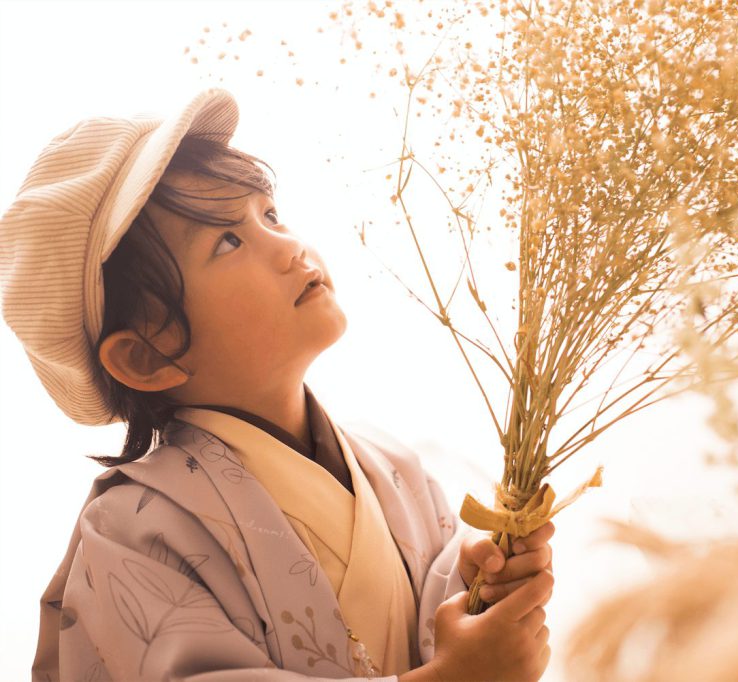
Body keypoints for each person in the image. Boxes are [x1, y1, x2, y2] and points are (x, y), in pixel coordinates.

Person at [0, 87, 554, 681]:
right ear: (144, 356)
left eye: (270, 215)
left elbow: (411, 616)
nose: (290, 247)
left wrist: (474, 585)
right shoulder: (132, 529)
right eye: (229, 241)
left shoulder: (392, 465)